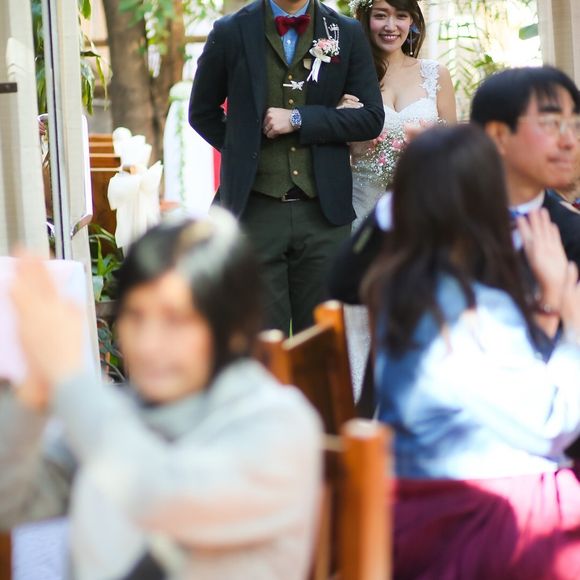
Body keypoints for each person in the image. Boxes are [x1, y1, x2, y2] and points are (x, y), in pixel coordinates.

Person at [0, 209, 322, 580]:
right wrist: (33, 394)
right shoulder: (127, 412)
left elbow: (161, 495)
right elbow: (10, 501)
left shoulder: (279, 426)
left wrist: (71, 377)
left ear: (233, 328)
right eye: (136, 316)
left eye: (176, 320)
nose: (148, 344)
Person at [366, 124, 580, 579]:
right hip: (475, 520)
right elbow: (552, 426)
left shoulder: (402, 283)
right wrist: (572, 317)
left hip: (417, 506)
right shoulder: (467, 308)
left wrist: (548, 304)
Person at [188, 0, 385, 335]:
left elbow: (370, 118)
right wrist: (244, 149)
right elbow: (202, 112)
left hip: (323, 214)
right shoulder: (230, 31)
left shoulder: (345, 32)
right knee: (263, 341)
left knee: (320, 341)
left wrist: (299, 119)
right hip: (255, 212)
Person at [345, 0, 456, 229]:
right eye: (381, 15)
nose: (391, 26)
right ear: (365, 19)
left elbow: (454, 153)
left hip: (423, 208)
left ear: (412, 20)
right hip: (361, 209)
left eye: (401, 16)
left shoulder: (435, 74)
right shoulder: (347, 77)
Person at [471, 66, 580, 268]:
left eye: (576, 125)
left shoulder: (573, 233)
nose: (570, 142)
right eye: (552, 123)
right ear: (498, 135)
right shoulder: (444, 225)